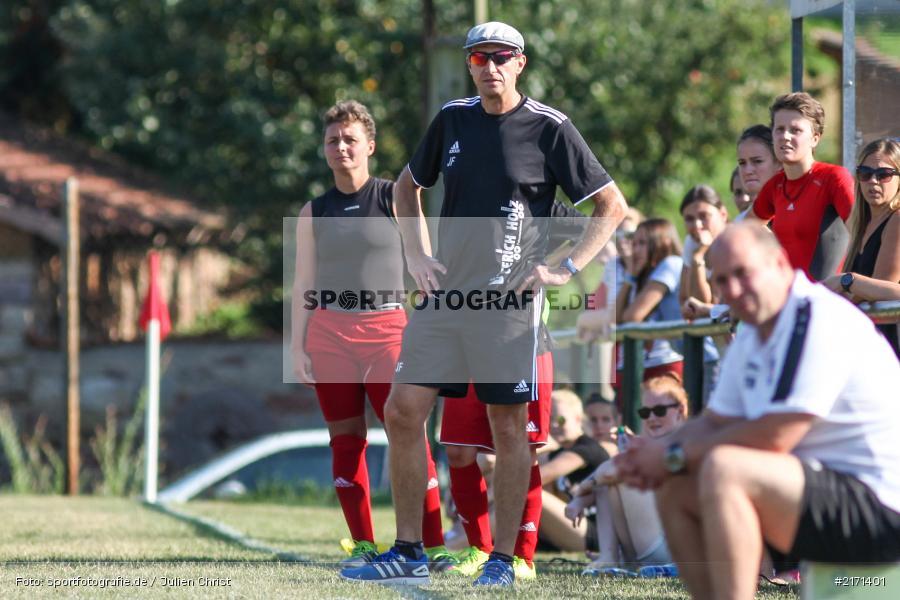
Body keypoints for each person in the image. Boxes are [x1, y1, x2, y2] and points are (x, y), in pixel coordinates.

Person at [340, 21, 627, 587]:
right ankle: (409, 550)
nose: (489, 67)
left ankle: (503, 558)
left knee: (507, 428)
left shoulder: (550, 128)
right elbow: (405, 188)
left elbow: (611, 207)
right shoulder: (452, 118)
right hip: (445, 298)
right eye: (478, 58)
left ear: (520, 62)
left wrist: (565, 268)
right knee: (401, 412)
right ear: (469, 65)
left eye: (500, 57)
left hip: (509, 306)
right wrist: (419, 256)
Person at [617, 223, 900, 600]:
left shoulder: (814, 317)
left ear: (779, 263)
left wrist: (669, 453)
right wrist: (648, 456)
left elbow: (776, 435)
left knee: (723, 467)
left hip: (881, 509)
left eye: (742, 274)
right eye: (721, 280)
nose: (732, 290)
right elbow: (717, 420)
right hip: (822, 494)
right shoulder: (756, 325)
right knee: (677, 482)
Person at [290, 101, 451, 570]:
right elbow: (303, 283)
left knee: (409, 434)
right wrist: (296, 346)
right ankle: (362, 544)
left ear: (370, 147)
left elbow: (425, 262)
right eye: (332, 140)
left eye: (350, 139)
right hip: (329, 333)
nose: (341, 147)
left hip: (388, 330)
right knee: (345, 439)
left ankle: (433, 544)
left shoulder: (394, 197)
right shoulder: (313, 211)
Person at [568, 376, 686, 576]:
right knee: (609, 480)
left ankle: (610, 556)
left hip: (675, 548)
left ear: (680, 411)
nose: (651, 418)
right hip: (646, 547)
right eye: (645, 412)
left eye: (660, 411)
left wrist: (581, 492)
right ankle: (609, 556)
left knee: (614, 474)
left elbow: (609, 471)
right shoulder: (653, 446)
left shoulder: (683, 442)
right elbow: (606, 475)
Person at [749, 92, 855, 280]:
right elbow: (747, 227)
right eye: (779, 129)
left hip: (824, 300)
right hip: (786, 299)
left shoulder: (834, 178)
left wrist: (851, 283)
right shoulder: (775, 185)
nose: (785, 137)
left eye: (795, 130)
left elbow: (861, 232)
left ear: (815, 138)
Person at [821, 137, 900, 358]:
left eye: (884, 175)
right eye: (865, 173)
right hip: (867, 345)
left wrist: (846, 281)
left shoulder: (897, 219)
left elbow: (882, 287)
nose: (873, 181)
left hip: (888, 349)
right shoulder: (862, 224)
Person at [538, 389, 609, 553]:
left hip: (596, 534)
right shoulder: (558, 452)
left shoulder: (587, 448)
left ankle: (471, 542)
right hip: (575, 525)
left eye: (561, 419)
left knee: (530, 493)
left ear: (578, 419)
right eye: (549, 419)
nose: (554, 424)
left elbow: (535, 479)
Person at [736, 124, 780, 219]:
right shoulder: (740, 221)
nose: (748, 171)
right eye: (742, 163)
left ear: (779, 163)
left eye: (757, 161)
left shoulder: (792, 211)